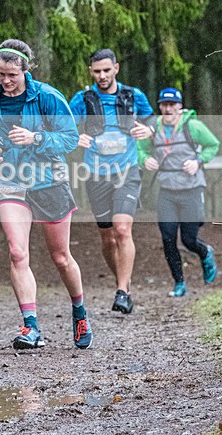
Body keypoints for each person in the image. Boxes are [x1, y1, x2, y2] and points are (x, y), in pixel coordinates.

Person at [0, 39, 93, 351]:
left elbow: (70, 139)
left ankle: (79, 312)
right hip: (12, 182)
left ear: (25, 70)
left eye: (12, 75)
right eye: (1, 74)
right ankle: (31, 326)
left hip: (48, 181)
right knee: (17, 252)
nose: (5, 80)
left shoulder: (47, 96)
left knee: (60, 256)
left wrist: (36, 137)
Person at [69, 49, 155, 315]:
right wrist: (75, 138)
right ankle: (125, 283)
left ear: (116, 68)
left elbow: (151, 119)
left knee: (122, 230)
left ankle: (121, 291)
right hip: (96, 174)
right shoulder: (82, 99)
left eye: (107, 70)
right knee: (107, 238)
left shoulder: (133, 96)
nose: (102, 75)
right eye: (97, 71)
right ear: (91, 72)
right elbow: (64, 126)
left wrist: (148, 129)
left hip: (127, 171)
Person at [137, 87, 220, 297]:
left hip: (191, 188)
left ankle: (205, 252)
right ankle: (179, 283)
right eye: (164, 105)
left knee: (189, 240)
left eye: (172, 105)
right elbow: (140, 149)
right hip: (167, 190)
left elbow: (213, 145)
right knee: (167, 238)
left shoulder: (193, 126)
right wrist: (145, 159)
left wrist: (198, 161)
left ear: (180, 107)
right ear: (160, 107)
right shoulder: (152, 128)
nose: (168, 109)